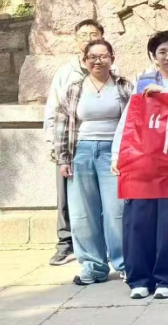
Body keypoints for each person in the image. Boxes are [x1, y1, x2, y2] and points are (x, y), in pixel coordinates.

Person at [118, 31, 168, 299]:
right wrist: (117, 154)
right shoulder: (142, 82)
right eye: (162, 52)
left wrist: (166, 94)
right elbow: (128, 119)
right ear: (154, 56)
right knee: (139, 219)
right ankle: (139, 279)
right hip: (144, 160)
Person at [54, 39, 132, 285]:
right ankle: (93, 266)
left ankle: (125, 263)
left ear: (112, 58)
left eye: (103, 56)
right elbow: (62, 123)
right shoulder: (74, 88)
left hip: (114, 153)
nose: (98, 61)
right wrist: (63, 158)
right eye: (92, 57)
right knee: (82, 214)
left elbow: (133, 121)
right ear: (84, 60)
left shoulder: (124, 87)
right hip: (82, 152)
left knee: (117, 211)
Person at [44, 19, 105, 266]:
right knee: (66, 197)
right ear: (75, 40)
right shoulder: (65, 72)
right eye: (83, 35)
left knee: (101, 197)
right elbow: (53, 108)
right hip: (70, 143)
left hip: (102, 144)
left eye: (94, 34)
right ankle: (66, 243)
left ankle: (101, 244)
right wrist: (53, 143)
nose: (88, 38)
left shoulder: (111, 69)